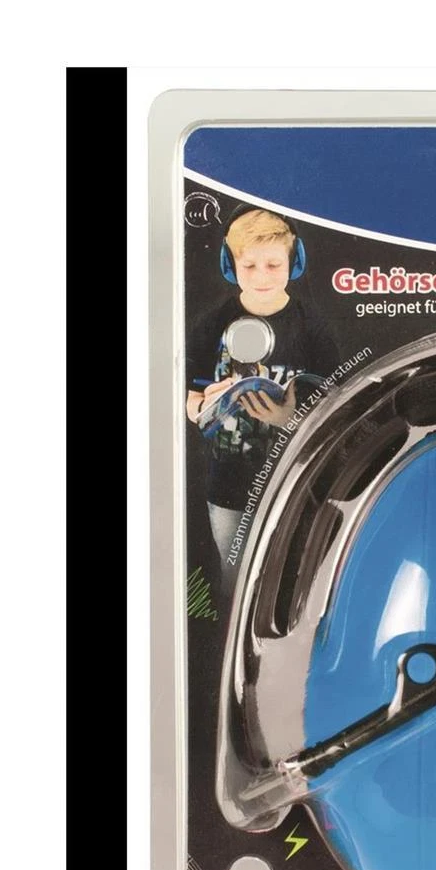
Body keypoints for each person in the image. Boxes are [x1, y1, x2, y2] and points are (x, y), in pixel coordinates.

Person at [185, 207, 332, 595]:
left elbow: (335, 403)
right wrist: (207, 407)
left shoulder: (310, 325)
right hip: (228, 484)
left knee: (298, 576)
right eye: (248, 266)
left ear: (294, 262)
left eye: (273, 264)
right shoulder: (211, 324)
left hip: (295, 479)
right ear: (229, 265)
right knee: (235, 581)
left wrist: (290, 419)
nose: (261, 276)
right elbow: (192, 401)